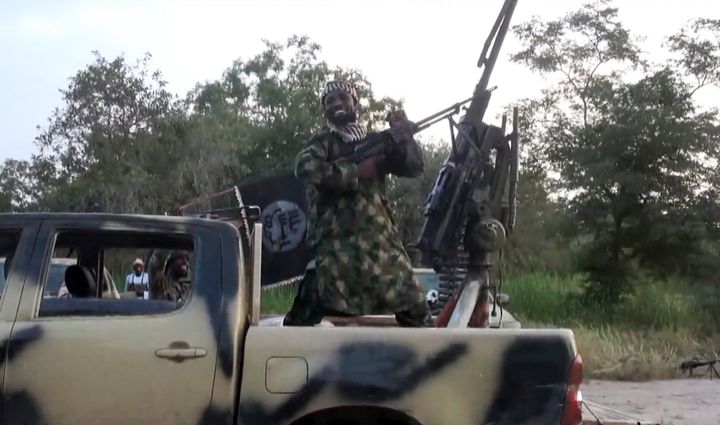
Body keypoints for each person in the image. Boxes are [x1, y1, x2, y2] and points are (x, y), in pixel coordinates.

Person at [283, 80, 431, 327]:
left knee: (415, 307)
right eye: (330, 101)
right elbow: (305, 168)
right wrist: (356, 172)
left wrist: (404, 138)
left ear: (354, 103)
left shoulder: (376, 141)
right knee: (305, 313)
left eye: (343, 98)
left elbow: (413, 168)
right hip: (335, 246)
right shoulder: (322, 142)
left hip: (380, 244)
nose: (337, 104)